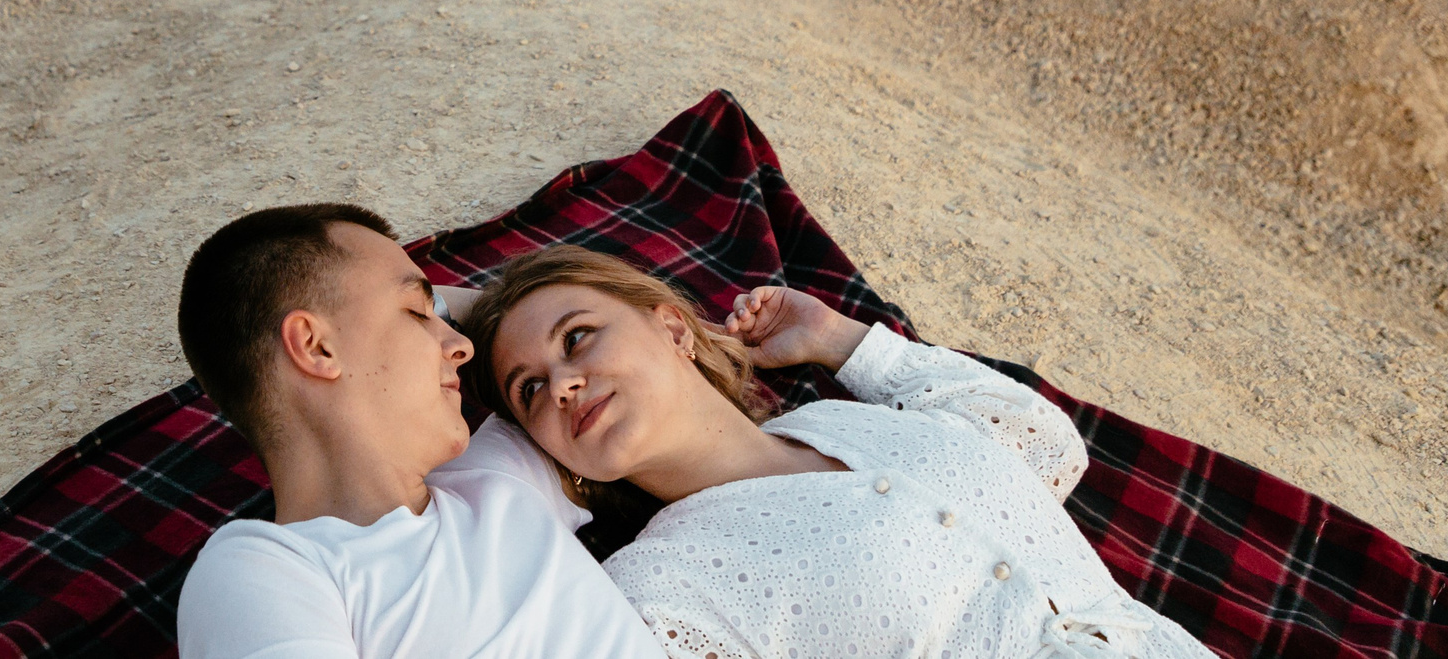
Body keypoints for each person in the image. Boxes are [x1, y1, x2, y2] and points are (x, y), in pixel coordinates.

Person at [466, 245, 1219, 659]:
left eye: (577, 337)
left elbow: (1046, 442)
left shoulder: (849, 417)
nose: (563, 382)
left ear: (671, 328)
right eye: (530, 389)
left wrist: (840, 340)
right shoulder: (660, 586)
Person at [172, 205, 667, 659]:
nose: (461, 346)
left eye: (440, 314)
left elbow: (590, 341)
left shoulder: (501, 477)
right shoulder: (260, 571)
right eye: (416, 312)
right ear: (316, 346)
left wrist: (719, 339)